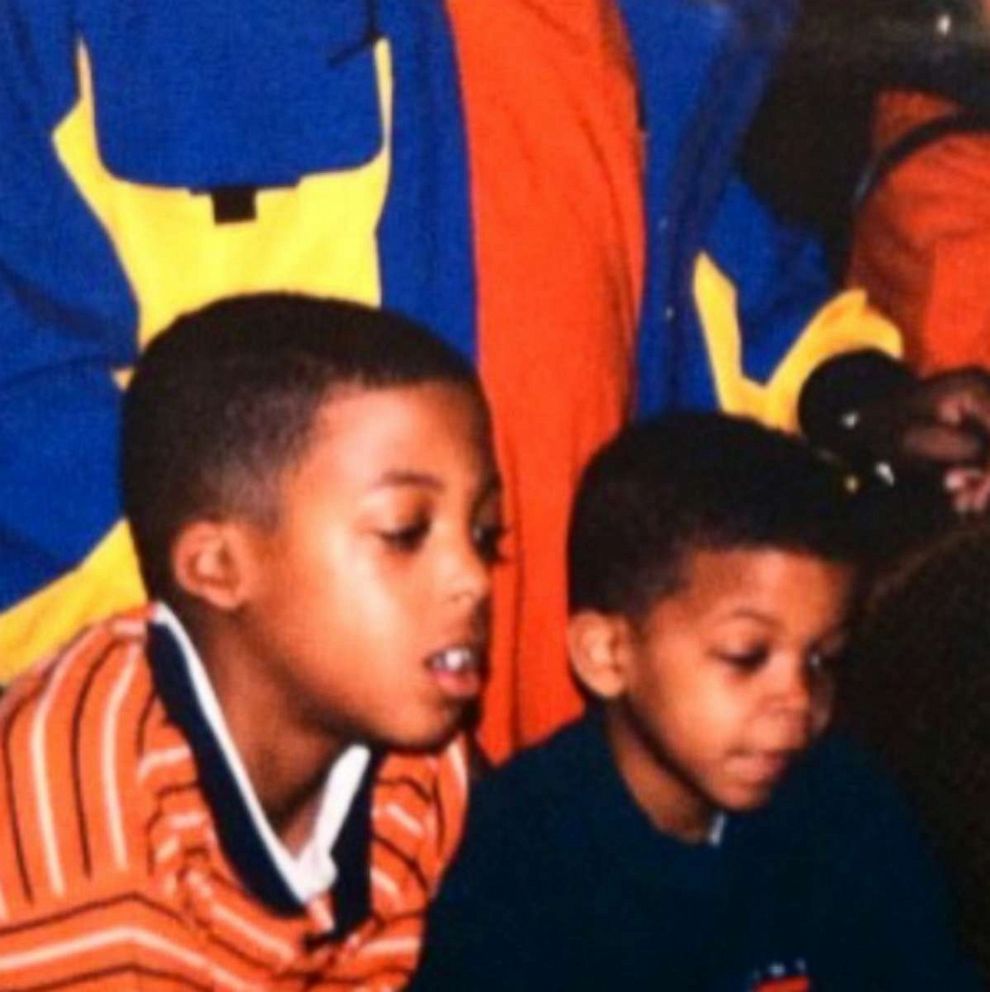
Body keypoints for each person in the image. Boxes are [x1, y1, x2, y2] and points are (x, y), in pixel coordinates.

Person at [5, 0, 990, 761]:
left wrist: (851, 396)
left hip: (557, 751)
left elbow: (690, 237)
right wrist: (238, 713)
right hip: (218, 784)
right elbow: (26, 395)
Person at [0, 294, 503, 989]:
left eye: (485, 534)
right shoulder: (82, 862)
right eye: (403, 532)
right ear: (219, 567)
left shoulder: (419, 776)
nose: (473, 578)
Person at [411, 412, 981, 991]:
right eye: (745, 655)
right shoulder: (522, 854)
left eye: (822, 660)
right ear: (607, 655)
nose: (798, 699)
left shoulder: (843, 802)